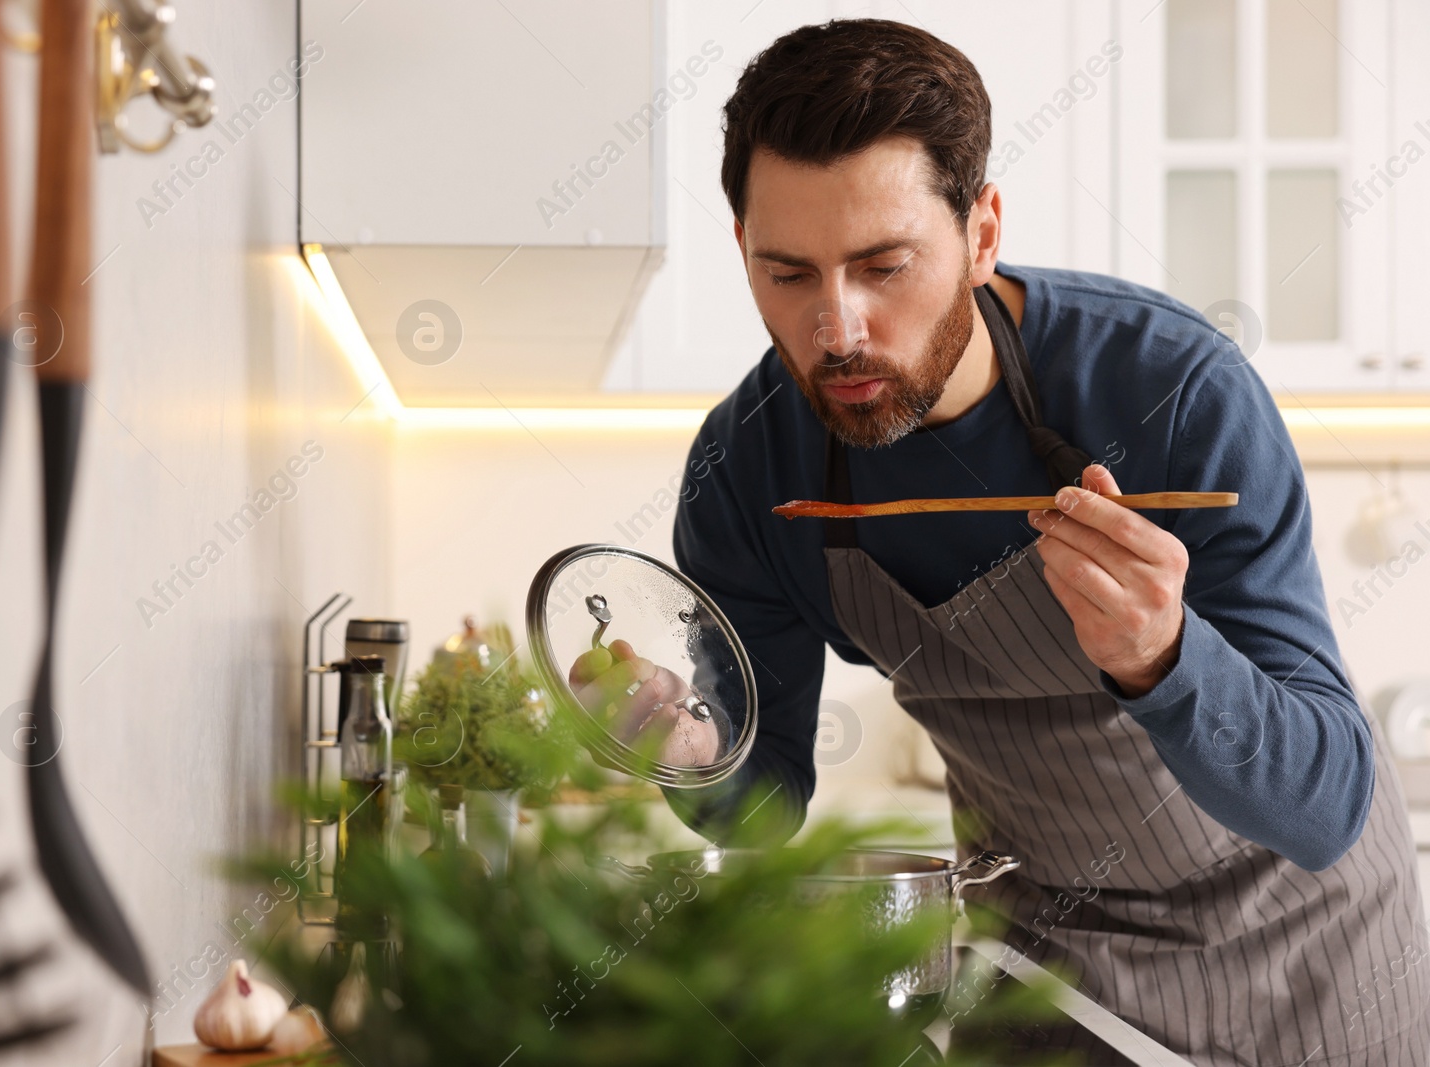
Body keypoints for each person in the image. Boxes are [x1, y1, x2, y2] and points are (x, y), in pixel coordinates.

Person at [575, 18, 1430, 1067]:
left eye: (884, 266)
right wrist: (697, 757)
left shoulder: (1173, 389)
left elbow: (1327, 803)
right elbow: (760, 807)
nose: (836, 330)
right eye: (787, 274)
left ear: (980, 233)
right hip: (1046, 965)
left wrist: (1166, 658)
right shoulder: (748, 470)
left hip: (1307, 955)